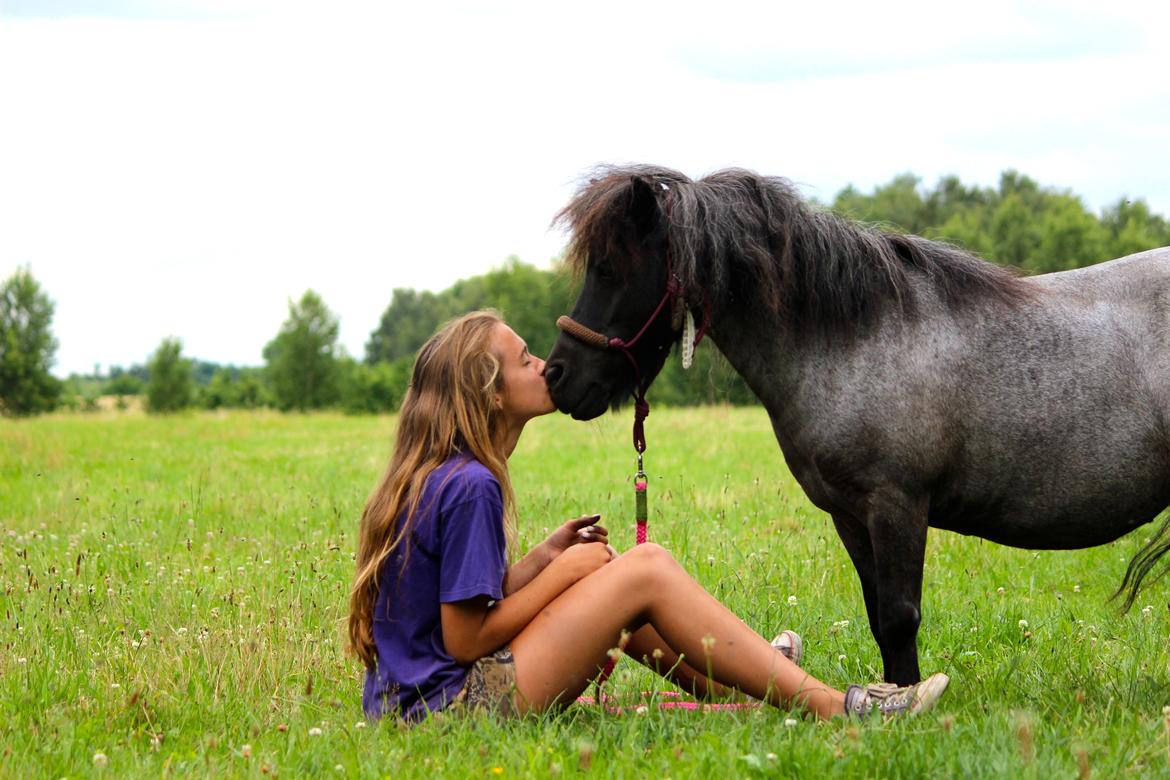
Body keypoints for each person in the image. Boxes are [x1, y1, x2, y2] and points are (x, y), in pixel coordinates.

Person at [347, 310, 949, 722]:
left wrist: (542, 561)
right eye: (524, 359)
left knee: (615, 583)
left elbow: (459, 603)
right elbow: (465, 635)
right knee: (646, 570)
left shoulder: (441, 474)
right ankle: (839, 709)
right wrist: (565, 576)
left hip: (410, 705)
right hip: (453, 709)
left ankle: (748, 676)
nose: (541, 365)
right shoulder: (472, 484)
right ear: (491, 394)